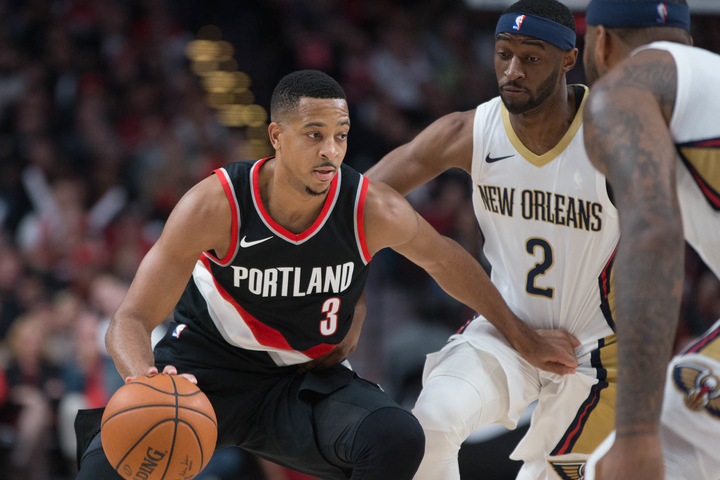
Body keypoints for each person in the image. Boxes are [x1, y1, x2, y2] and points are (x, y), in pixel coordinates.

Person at [72, 70, 575, 480]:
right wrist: (147, 380)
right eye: (314, 135)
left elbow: (446, 261)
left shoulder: (369, 207)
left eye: (340, 136)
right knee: (103, 467)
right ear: (277, 136)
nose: (331, 150)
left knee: (397, 436)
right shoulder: (217, 204)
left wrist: (522, 337)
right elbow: (130, 320)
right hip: (205, 372)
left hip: (301, 383)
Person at [365, 0, 623, 478]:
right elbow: (360, 199)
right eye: (504, 54)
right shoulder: (471, 131)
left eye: (531, 57)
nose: (512, 70)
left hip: (598, 355)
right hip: (507, 330)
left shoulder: (615, 139)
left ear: (568, 59)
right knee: (429, 426)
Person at [579, 1, 720, 479]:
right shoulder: (706, 78)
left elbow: (654, 231)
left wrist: (636, 433)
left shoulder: (623, 91)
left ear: (600, 41)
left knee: (623, 464)